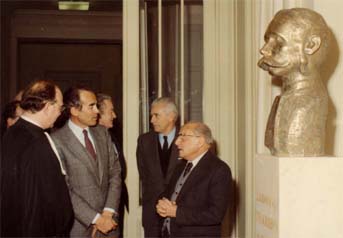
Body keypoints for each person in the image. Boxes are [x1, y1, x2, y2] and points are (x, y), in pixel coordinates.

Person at [1, 79, 74, 237]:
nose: (60, 113)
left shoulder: (10, 134)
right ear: (48, 106)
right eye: (60, 107)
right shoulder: (39, 141)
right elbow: (53, 200)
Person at [258, 8, 332, 156]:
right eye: (267, 41)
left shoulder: (308, 103)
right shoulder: (283, 100)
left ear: (311, 46)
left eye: (278, 43)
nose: (264, 50)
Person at [51, 86, 122, 238]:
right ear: (74, 110)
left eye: (96, 105)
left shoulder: (102, 133)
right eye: (92, 106)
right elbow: (64, 189)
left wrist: (108, 212)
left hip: (110, 225)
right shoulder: (56, 141)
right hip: (78, 228)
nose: (97, 111)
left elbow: (115, 173)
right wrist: (96, 219)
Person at [156, 122, 233, 237]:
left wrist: (176, 212)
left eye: (183, 137)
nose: (177, 142)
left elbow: (215, 214)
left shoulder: (219, 170)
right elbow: (167, 194)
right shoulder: (181, 165)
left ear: (200, 142)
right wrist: (160, 204)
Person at [136, 97, 180, 237]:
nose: (152, 120)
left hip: (180, 212)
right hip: (152, 214)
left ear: (171, 117)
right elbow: (144, 175)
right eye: (151, 116)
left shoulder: (187, 138)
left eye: (156, 115)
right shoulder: (144, 141)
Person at [97, 93, 129, 238]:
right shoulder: (94, 142)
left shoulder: (111, 136)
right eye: (111, 111)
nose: (115, 116)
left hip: (116, 204)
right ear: (98, 113)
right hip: (102, 210)